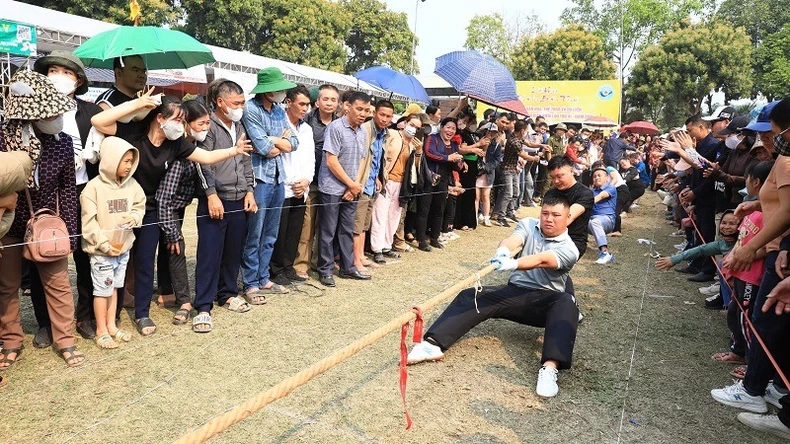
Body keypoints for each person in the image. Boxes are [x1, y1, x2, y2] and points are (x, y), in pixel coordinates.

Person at [91, 91, 254, 336]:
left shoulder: (176, 143)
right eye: (177, 120)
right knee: (122, 258)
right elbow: (99, 122)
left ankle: (142, 314)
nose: (181, 125)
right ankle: (123, 314)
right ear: (159, 118)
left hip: (158, 207)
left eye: (182, 121)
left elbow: (207, 157)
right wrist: (137, 104)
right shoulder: (134, 133)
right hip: (129, 205)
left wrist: (234, 150)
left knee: (148, 258)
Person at [407, 194, 580, 399]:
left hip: (544, 303)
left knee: (567, 303)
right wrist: (503, 251)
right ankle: (433, 345)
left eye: (556, 215)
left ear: (567, 217)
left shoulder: (570, 249)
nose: (549, 219)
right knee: (471, 295)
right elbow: (514, 239)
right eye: (545, 213)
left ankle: (549, 368)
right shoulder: (529, 224)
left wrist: (514, 264)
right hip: (514, 292)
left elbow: (542, 260)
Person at [0, 70, 85, 367]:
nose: (57, 118)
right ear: (28, 115)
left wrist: (71, 233)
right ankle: (10, 340)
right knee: (7, 285)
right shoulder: (3, 139)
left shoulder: (62, 143)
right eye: (51, 113)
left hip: (49, 223)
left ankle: (66, 341)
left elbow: (68, 190)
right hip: (9, 224)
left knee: (59, 283)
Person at [712, 99, 790, 421]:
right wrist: (755, 205)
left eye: (771, 133)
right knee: (776, 325)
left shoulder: (786, 161)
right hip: (779, 249)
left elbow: (786, 210)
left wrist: (749, 247)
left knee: (764, 322)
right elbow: (777, 202)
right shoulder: (782, 159)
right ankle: (775, 385)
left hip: (776, 253)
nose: (767, 141)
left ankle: (752, 390)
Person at [32, 50, 103, 341]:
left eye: (66, 72)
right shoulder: (33, 111)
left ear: (78, 81)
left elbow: (107, 131)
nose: (58, 76)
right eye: (52, 71)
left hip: (82, 189)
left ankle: (85, 316)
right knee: (41, 253)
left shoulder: (90, 112)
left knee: (86, 255)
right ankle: (46, 323)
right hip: (45, 193)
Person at [193, 79, 256, 328]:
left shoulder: (240, 124)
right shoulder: (209, 126)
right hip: (215, 199)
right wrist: (210, 194)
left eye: (242, 102)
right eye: (236, 103)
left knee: (233, 251)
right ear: (220, 102)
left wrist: (250, 190)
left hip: (240, 198)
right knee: (209, 254)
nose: (240, 107)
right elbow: (201, 162)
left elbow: (246, 160)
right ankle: (204, 305)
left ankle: (228, 293)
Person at [80, 137, 145, 348]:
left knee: (115, 287)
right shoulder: (93, 189)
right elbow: (89, 224)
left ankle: (111, 325)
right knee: (102, 290)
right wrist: (104, 245)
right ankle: (101, 330)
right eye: (124, 161)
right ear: (110, 160)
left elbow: (139, 205)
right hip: (101, 252)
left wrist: (134, 218)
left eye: (130, 161)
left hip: (123, 249)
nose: (128, 166)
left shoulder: (133, 185)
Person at [241, 67, 299, 301]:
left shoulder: (278, 111)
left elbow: (293, 143)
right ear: (268, 91)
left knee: (270, 233)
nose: (283, 92)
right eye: (279, 88)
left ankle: (263, 277)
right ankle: (250, 282)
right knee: (254, 233)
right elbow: (263, 148)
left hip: (278, 177)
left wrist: (274, 140)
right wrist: (279, 141)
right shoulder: (250, 110)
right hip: (260, 178)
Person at [155, 100, 209, 328]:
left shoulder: (193, 148)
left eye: (208, 123)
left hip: (178, 206)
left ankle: (167, 291)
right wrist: (171, 231)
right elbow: (164, 198)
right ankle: (185, 302)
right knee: (176, 248)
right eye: (201, 123)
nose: (206, 128)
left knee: (168, 251)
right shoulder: (181, 156)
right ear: (187, 125)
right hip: (166, 208)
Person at [316, 91, 372, 287]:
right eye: (359, 109)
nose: (363, 113)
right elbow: (331, 161)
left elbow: (363, 159)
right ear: (348, 107)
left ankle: (348, 267)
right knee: (328, 232)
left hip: (352, 189)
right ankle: (325, 270)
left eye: (366, 110)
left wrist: (355, 186)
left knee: (346, 230)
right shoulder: (335, 128)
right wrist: (351, 184)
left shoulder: (363, 131)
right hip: (332, 188)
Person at [270, 86, 315, 285]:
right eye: (301, 104)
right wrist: (291, 182)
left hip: (301, 187)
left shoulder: (307, 129)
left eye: (307, 104)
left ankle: (288, 267)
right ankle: (276, 268)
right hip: (283, 186)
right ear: (289, 102)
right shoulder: (279, 124)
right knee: (279, 231)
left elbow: (310, 159)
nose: (305, 108)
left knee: (294, 231)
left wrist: (306, 181)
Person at [297, 84, 339, 279]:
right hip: (311, 181)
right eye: (326, 99)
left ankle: (319, 262)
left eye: (333, 100)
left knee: (327, 226)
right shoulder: (305, 122)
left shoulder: (339, 124)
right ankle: (301, 264)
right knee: (307, 224)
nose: (329, 103)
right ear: (317, 102)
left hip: (332, 182)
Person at [370, 114, 422, 263]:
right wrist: (379, 176)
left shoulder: (414, 144)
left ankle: (387, 245)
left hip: (402, 184)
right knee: (380, 214)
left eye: (417, 128)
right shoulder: (392, 134)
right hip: (386, 180)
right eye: (412, 125)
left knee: (394, 216)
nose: (413, 129)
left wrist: (418, 151)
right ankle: (377, 248)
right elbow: (380, 153)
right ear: (404, 123)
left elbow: (416, 167)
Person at [353, 100, 393, 271]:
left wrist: (377, 176)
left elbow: (376, 159)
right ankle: (355, 259)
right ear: (375, 112)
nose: (385, 119)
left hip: (372, 183)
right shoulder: (366, 129)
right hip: (361, 183)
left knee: (364, 223)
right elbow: (362, 158)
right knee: (357, 223)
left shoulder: (385, 133)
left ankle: (361, 255)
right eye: (382, 114)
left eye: (388, 116)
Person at [417, 117, 463, 251]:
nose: (450, 131)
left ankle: (434, 238)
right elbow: (429, 153)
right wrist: (448, 158)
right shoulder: (433, 138)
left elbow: (457, 165)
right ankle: (421, 240)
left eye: (453, 128)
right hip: (429, 179)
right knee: (423, 211)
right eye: (448, 127)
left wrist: (458, 161)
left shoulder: (454, 145)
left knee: (439, 211)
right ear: (441, 127)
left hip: (444, 182)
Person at [493, 120, 540, 226]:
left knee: (515, 193)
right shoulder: (513, 141)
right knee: (507, 193)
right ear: (522, 130)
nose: (527, 132)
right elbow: (525, 155)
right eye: (526, 130)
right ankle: (501, 216)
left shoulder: (518, 137)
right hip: (506, 170)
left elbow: (529, 143)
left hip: (513, 169)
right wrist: (535, 158)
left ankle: (509, 213)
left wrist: (542, 145)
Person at [588, 166, 617, 264]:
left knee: (594, 221)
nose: (596, 178)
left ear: (607, 178)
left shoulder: (610, 188)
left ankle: (605, 253)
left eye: (599, 175)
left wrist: (585, 202)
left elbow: (600, 196)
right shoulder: (591, 192)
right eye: (594, 176)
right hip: (591, 221)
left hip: (607, 220)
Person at [476, 123, 503, 227]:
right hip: (477, 173)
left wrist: (486, 167)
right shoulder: (477, 141)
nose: (491, 134)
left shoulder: (496, 145)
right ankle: (476, 217)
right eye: (489, 131)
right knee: (476, 196)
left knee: (486, 196)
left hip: (488, 173)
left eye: (494, 132)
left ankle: (486, 217)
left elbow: (497, 160)